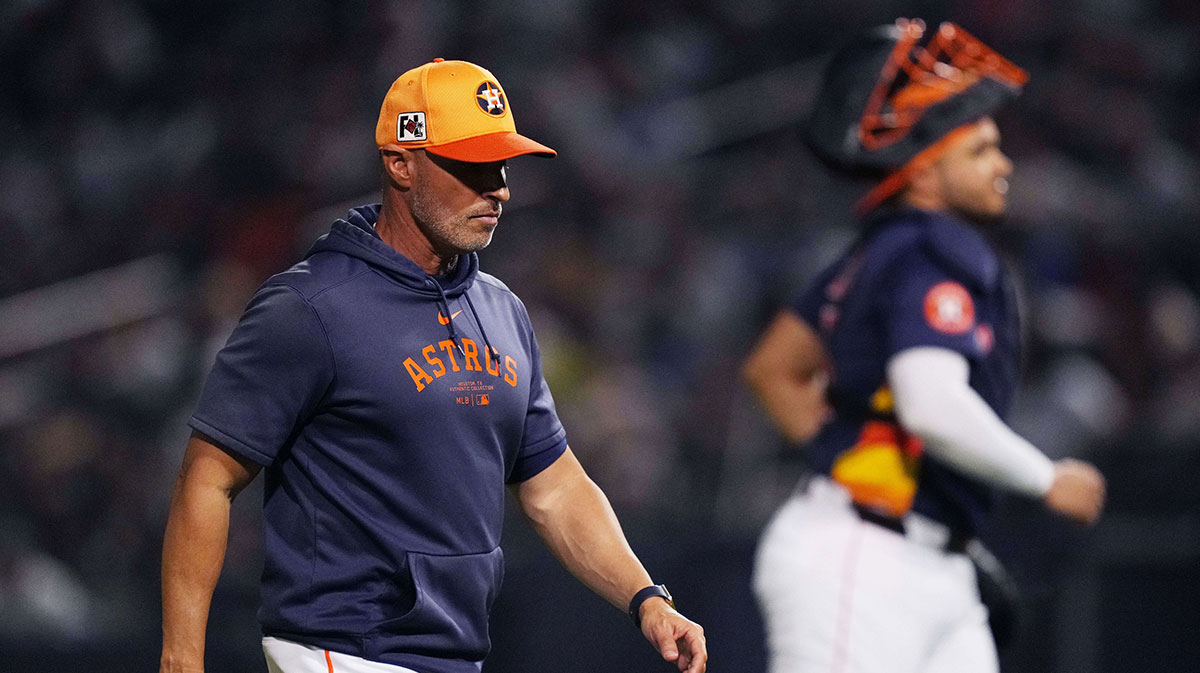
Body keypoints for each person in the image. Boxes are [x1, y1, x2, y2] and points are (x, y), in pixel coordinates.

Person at [160, 58, 706, 673]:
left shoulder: (502, 311)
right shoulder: (310, 307)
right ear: (400, 161)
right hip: (344, 650)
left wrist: (646, 599)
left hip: (452, 657)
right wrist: (183, 657)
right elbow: (206, 478)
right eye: (471, 166)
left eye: (501, 164)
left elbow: (554, 487)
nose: (498, 186)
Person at [742, 19, 1106, 673]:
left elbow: (775, 369)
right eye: (980, 150)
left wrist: (875, 478)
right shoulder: (935, 247)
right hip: (863, 558)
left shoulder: (884, 250)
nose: (1004, 163)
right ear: (925, 176)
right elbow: (930, 403)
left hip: (920, 558)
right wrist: (1046, 478)